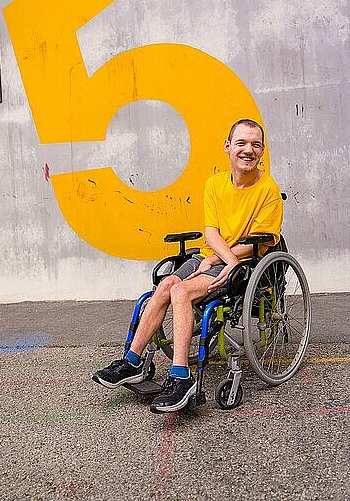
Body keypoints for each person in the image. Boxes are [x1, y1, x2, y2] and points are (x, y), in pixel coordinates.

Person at [92, 118, 283, 413]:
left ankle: (181, 377)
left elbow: (264, 240)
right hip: (214, 257)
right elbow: (211, 233)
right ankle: (132, 362)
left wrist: (225, 260)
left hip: (244, 265)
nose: (248, 150)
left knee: (180, 293)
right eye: (241, 143)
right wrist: (219, 257)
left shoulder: (268, 190)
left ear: (262, 151)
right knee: (166, 284)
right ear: (228, 146)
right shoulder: (214, 185)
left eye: (255, 144)